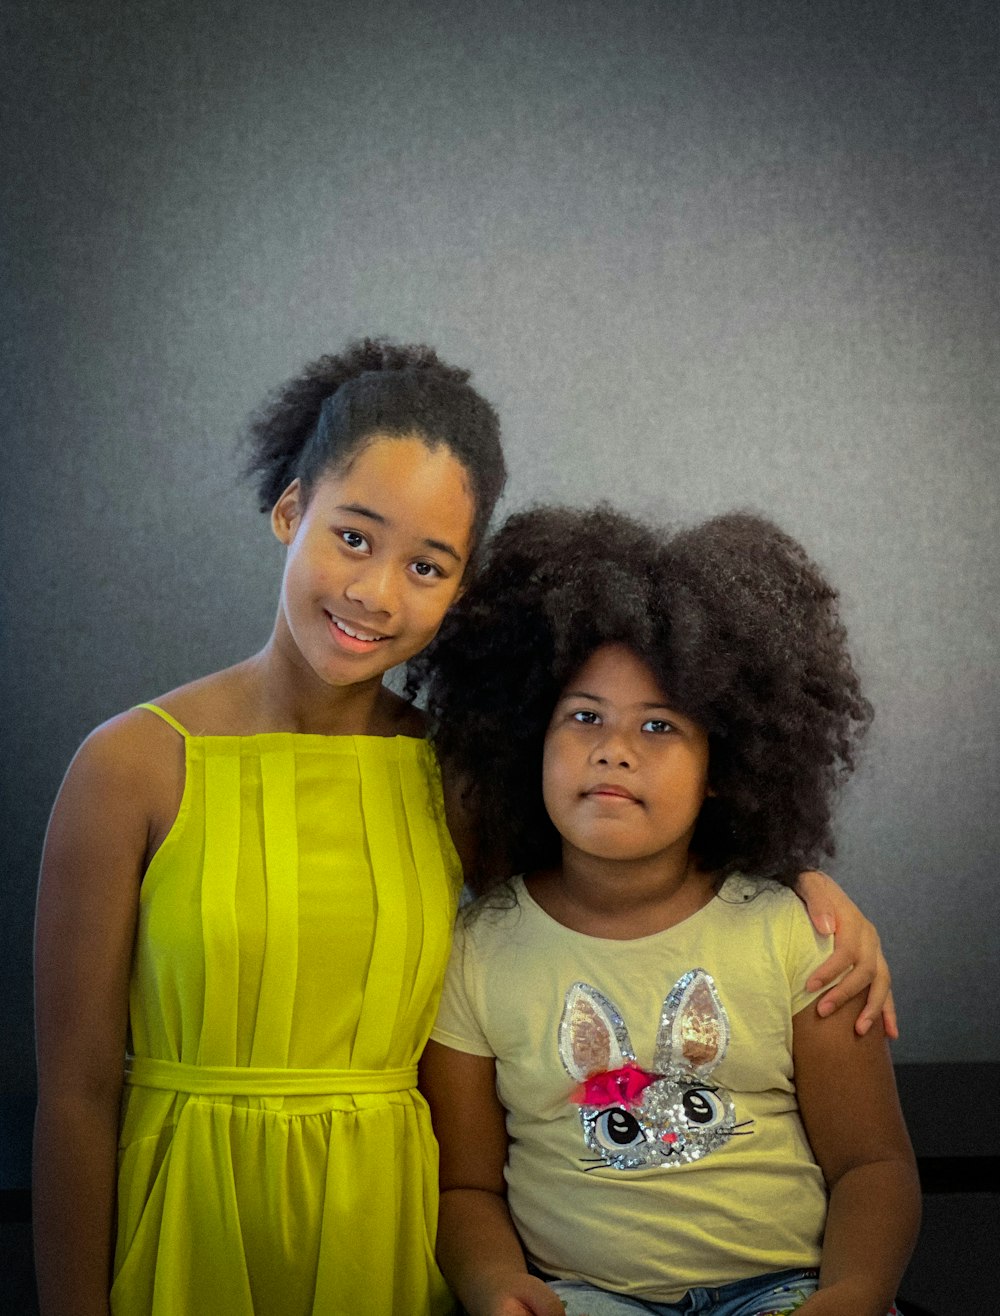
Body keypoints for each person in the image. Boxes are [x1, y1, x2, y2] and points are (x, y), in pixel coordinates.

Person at [33, 340, 891, 1316]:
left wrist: (809, 885)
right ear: (288, 507)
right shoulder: (130, 767)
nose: (376, 591)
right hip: (187, 1214)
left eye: (426, 564)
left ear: (460, 589)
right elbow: (76, 1092)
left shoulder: (460, 778)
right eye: (353, 536)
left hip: (389, 1230)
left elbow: (619, 888)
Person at [416, 506, 920, 1316]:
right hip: (582, 1298)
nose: (614, 748)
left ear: (726, 764)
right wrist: (494, 1284)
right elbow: (464, 1183)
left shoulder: (790, 934)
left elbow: (874, 1166)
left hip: (786, 1290)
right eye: (584, 717)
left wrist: (855, 1293)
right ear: (526, 741)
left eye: (660, 725)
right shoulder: (478, 954)